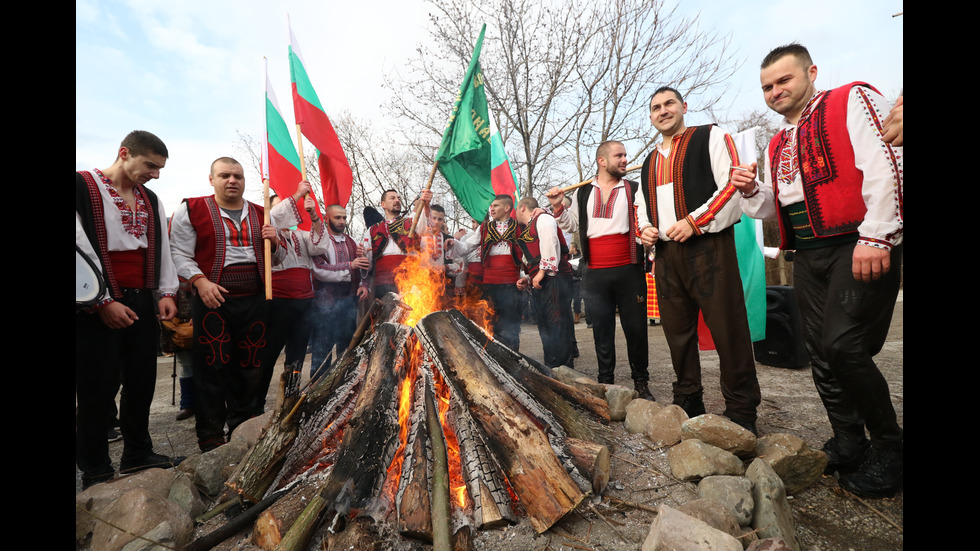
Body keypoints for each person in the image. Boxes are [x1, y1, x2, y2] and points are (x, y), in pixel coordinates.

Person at [732, 43, 903, 497]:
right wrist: (752, 191)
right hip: (807, 253)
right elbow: (777, 206)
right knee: (819, 351)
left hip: (856, 242)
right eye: (767, 86)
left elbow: (888, 164)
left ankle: (891, 449)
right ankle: (849, 440)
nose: (775, 91)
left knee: (844, 345)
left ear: (811, 71)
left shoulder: (852, 98)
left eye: (784, 80)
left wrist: (877, 235)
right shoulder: (777, 141)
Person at [633, 86, 762, 433]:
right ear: (650, 116)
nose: (663, 111)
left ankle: (741, 409)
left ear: (684, 107)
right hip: (666, 254)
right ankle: (688, 398)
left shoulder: (711, 136)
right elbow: (640, 208)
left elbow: (731, 184)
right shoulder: (648, 160)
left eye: (669, 103)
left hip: (709, 246)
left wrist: (695, 222)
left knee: (728, 328)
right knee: (677, 331)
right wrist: (644, 230)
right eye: (656, 107)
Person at [76, 130, 184, 488]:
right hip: (95, 304)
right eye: (150, 165)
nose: (155, 174)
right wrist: (102, 301)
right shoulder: (80, 186)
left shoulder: (151, 199)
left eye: (160, 168)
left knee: (141, 381)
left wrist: (166, 292)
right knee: (97, 387)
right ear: (124, 153)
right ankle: (95, 469)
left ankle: (138, 453)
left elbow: (163, 248)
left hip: (141, 299)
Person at [169, 157, 281, 452]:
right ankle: (210, 435)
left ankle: (243, 427)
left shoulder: (263, 213)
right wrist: (200, 282)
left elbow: (278, 261)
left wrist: (277, 243)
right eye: (225, 175)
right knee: (212, 365)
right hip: (212, 299)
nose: (232, 180)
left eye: (238, 176)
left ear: (245, 181)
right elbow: (178, 252)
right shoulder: (191, 209)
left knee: (251, 364)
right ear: (212, 179)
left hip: (256, 298)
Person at [546, 141, 652, 399]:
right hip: (595, 272)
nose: (625, 159)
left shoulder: (635, 189)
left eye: (626, 155)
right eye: (619, 155)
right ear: (602, 161)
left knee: (636, 330)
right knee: (602, 330)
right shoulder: (583, 193)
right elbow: (572, 225)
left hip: (629, 270)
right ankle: (606, 382)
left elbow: (645, 223)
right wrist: (558, 206)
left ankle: (641, 382)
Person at [252, 182, 328, 414]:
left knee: (296, 356)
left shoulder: (301, 235)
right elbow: (274, 216)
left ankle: (290, 399)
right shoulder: (265, 233)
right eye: (285, 210)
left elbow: (319, 247)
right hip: (278, 303)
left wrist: (314, 215)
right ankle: (256, 405)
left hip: (305, 303)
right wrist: (295, 194)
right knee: (268, 355)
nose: (288, 216)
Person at [309, 204, 370, 377]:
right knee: (322, 352)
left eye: (344, 217)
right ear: (326, 218)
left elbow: (361, 270)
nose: (342, 221)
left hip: (348, 304)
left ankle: (343, 388)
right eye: (338, 217)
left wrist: (363, 285)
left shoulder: (350, 241)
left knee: (347, 350)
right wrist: (351, 265)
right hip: (325, 305)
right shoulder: (319, 241)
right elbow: (319, 269)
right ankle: (317, 393)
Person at [457, 195, 524, 351]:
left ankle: (513, 362)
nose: (491, 209)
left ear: (507, 208)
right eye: (491, 206)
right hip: (489, 284)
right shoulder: (484, 228)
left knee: (511, 326)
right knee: (490, 323)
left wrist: (526, 277)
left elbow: (526, 255)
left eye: (496, 206)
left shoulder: (519, 227)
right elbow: (467, 247)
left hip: (511, 284)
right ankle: (495, 360)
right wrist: (453, 243)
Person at [514, 197, 575, 368]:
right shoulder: (527, 229)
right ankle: (552, 367)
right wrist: (527, 279)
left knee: (557, 323)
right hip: (543, 280)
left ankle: (564, 370)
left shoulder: (544, 218)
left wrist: (542, 271)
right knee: (545, 325)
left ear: (522, 208)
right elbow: (533, 259)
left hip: (555, 278)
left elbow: (551, 242)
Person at [359, 189, 433, 298]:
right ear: (383, 204)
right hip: (382, 284)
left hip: (410, 282)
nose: (397, 200)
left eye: (399, 198)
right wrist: (362, 254)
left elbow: (426, 228)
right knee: (385, 314)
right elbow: (367, 264)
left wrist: (426, 205)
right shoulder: (372, 230)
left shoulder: (411, 223)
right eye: (392, 198)